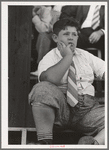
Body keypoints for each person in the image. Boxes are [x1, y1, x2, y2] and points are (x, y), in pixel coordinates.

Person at [29, 17, 105, 145]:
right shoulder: (50, 57)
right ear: (55, 38)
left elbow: (104, 69)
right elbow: (49, 79)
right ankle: (45, 142)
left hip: (87, 110)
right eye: (66, 34)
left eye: (74, 34)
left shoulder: (85, 55)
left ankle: (92, 144)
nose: (71, 38)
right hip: (61, 109)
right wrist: (68, 56)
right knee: (41, 89)